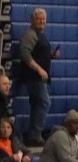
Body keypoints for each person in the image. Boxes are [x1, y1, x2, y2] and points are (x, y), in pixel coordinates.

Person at [14, 8, 61, 146]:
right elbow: (25, 55)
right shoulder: (30, 35)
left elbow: (38, 54)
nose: (41, 21)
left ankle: (34, 134)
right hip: (33, 77)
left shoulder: (40, 35)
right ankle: (35, 134)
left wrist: (51, 56)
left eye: (43, 19)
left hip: (38, 77)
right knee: (44, 102)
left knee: (37, 104)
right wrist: (40, 70)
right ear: (32, 20)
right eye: (38, 19)